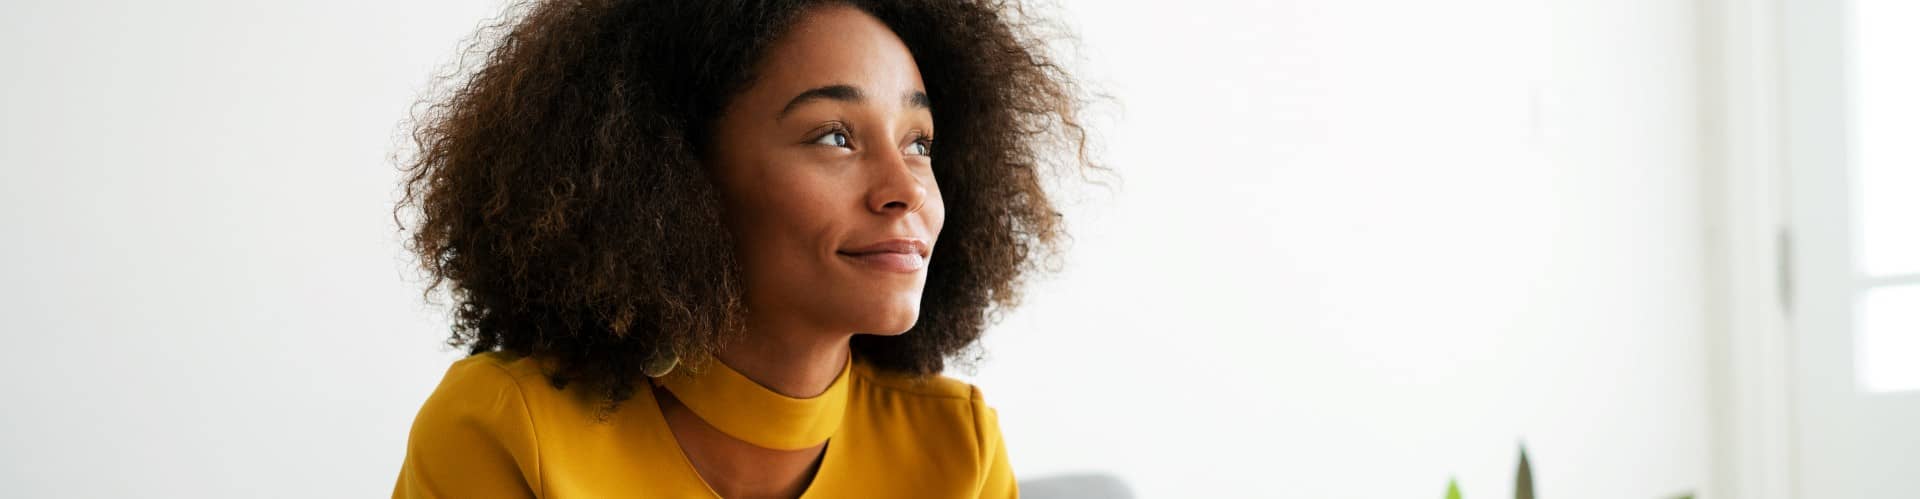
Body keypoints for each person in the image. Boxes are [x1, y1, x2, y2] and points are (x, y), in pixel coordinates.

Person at [388, 0, 1095, 497]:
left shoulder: (956, 447)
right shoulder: (507, 430)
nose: (903, 188)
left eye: (919, 142)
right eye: (834, 137)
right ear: (675, 175)